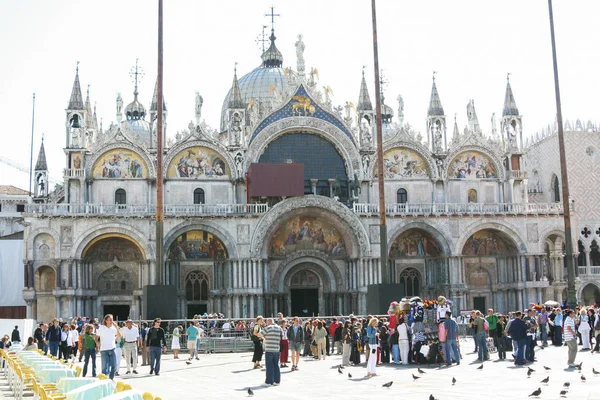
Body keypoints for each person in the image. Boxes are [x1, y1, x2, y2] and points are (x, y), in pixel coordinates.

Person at [96, 314, 122, 380]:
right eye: (110, 320)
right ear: (106, 321)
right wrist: (97, 343)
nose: (111, 321)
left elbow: (119, 336)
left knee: (114, 365)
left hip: (112, 348)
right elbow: (96, 337)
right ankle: (104, 380)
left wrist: (117, 327)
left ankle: (111, 378)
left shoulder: (114, 328)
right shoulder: (101, 328)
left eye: (112, 320)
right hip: (104, 349)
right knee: (104, 367)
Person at [262, 318, 283, 386]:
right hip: (276, 349)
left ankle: (269, 381)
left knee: (269, 366)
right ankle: (277, 381)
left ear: (269, 322)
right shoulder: (279, 328)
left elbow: (260, 334)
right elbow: (282, 336)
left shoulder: (268, 328)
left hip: (269, 349)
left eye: (266, 322)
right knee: (276, 365)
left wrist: (264, 338)